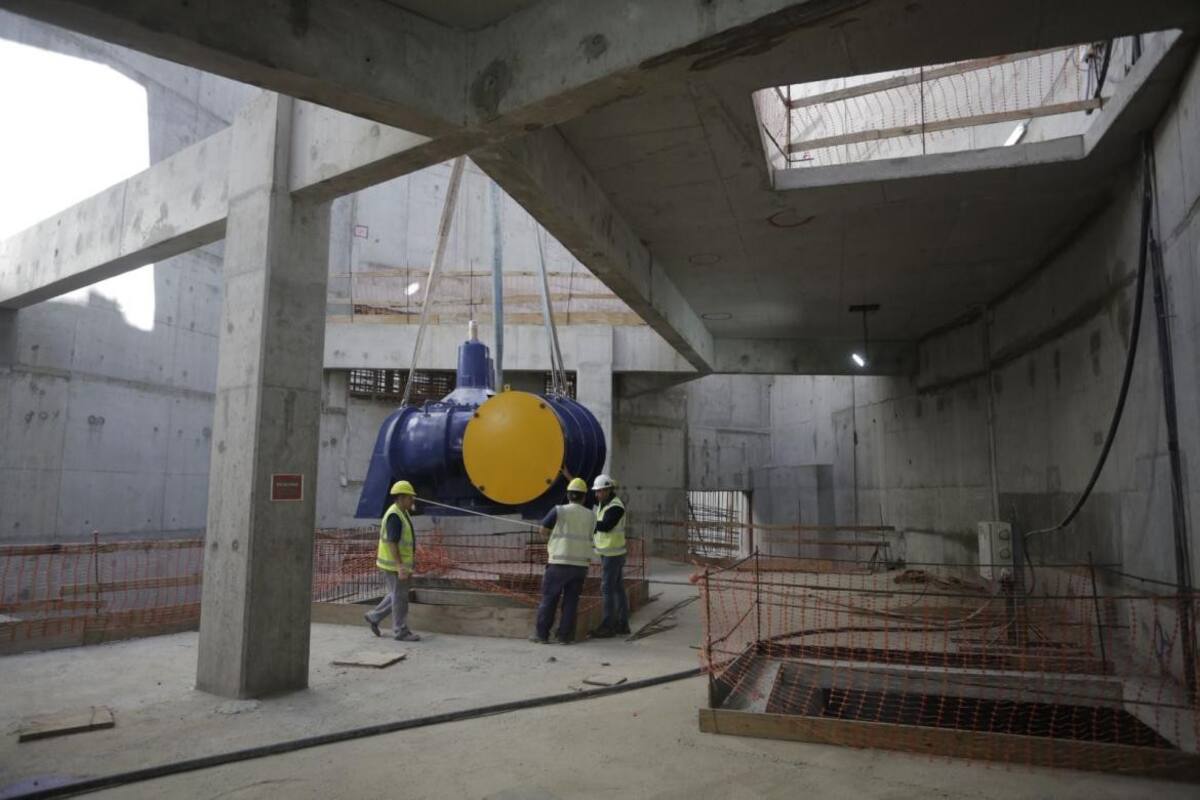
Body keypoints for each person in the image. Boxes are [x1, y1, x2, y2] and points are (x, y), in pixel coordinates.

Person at [531, 477, 596, 645]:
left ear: (568, 495)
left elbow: (543, 530)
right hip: (580, 565)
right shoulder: (591, 516)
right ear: (583, 497)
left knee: (549, 599)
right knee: (571, 603)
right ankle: (564, 637)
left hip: (558, 563)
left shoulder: (559, 510)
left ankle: (542, 635)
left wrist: (552, 542)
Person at [364, 480, 421, 642]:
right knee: (400, 598)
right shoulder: (395, 516)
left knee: (396, 594)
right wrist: (400, 566)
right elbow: (392, 542)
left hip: (395, 565)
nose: (413, 501)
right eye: (410, 498)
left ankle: (374, 617)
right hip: (393, 566)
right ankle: (400, 631)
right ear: (401, 498)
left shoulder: (402, 512)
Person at [588, 474, 629, 638]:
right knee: (617, 589)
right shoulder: (603, 503)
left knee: (607, 589)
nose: (597, 494)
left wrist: (589, 523)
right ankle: (622, 624)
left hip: (613, 554)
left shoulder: (615, 507)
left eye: (600, 491)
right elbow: (586, 499)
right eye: (596, 492)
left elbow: (605, 526)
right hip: (610, 553)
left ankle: (608, 626)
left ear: (608, 490)